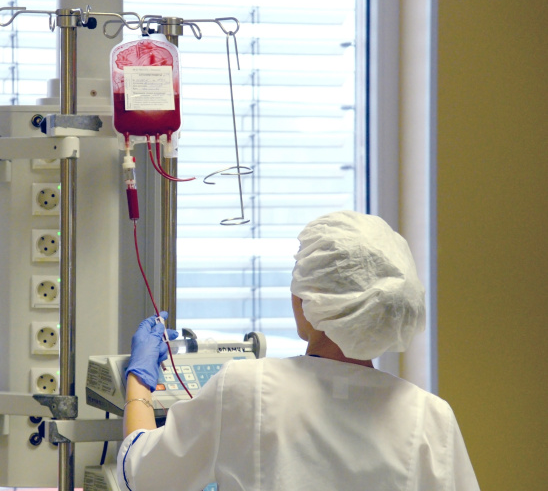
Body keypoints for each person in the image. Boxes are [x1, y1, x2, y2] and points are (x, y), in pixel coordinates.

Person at [117, 210, 479, 491]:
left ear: (310, 298)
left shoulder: (246, 387)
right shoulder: (431, 418)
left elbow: (143, 475)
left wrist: (139, 379)